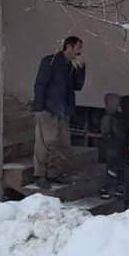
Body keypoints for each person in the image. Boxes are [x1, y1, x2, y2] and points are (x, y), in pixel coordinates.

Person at [31, 36, 86, 190]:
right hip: (48, 106)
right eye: (78, 47)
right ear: (69, 47)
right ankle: (40, 174)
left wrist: (81, 68)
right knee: (45, 142)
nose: (80, 51)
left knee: (61, 142)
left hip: (63, 108)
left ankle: (54, 172)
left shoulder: (70, 65)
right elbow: (41, 84)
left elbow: (77, 86)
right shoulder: (51, 61)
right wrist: (39, 107)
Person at [99, 93, 123, 200]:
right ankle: (105, 188)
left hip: (115, 147)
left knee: (117, 168)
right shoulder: (107, 119)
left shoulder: (116, 118)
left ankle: (116, 188)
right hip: (111, 148)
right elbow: (106, 133)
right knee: (112, 170)